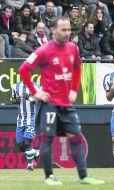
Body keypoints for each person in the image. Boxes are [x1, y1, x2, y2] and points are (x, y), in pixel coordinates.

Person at [18, 17, 104, 185]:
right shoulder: (44, 50)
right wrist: (37, 91)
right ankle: (49, 177)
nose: (67, 33)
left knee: (76, 138)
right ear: (53, 30)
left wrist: (73, 90)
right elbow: (23, 70)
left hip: (67, 104)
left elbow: (78, 67)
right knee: (48, 139)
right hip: (49, 104)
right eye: (63, 30)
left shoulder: (72, 48)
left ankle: (83, 176)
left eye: (69, 29)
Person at [11, 81, 40, 172]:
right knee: (21, 146)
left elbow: (40, 101)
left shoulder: (36, 86)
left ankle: (30, 167)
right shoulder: (16, 86)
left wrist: (29, 98)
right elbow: (13, 100)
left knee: (27, 143)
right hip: (20, 119)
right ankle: (36, 152)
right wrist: (16, 100)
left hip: (31, 118)